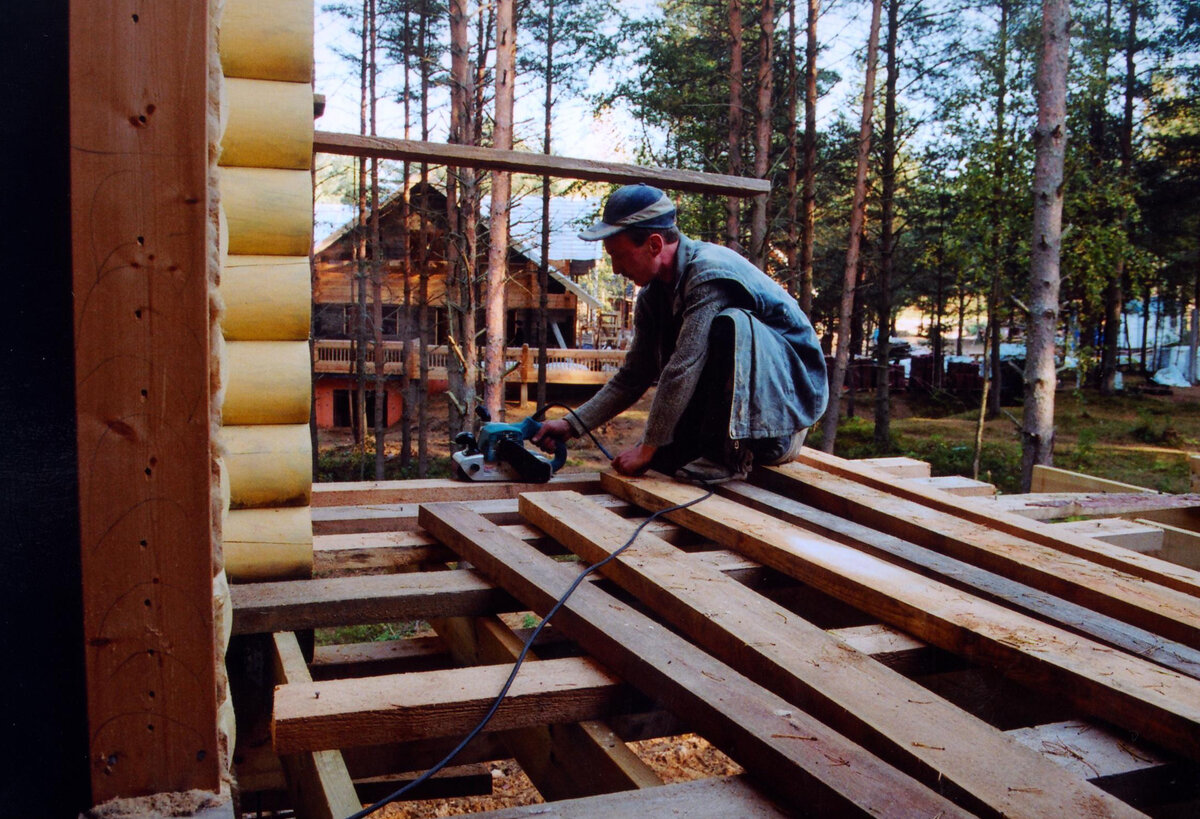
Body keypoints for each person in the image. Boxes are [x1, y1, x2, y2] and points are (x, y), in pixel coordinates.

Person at [533, 184, 828, 481]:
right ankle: (708, 446)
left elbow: (683, 367)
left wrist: (647, 448)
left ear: (654, 245)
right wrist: (573, 424)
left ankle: (729, 455)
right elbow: (634, 375)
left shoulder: (707, 274)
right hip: (737, 415)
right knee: (664, 460)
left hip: (781, 422)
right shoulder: (653, 296)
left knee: (727, 325)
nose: (616, 269)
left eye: (619, 256)